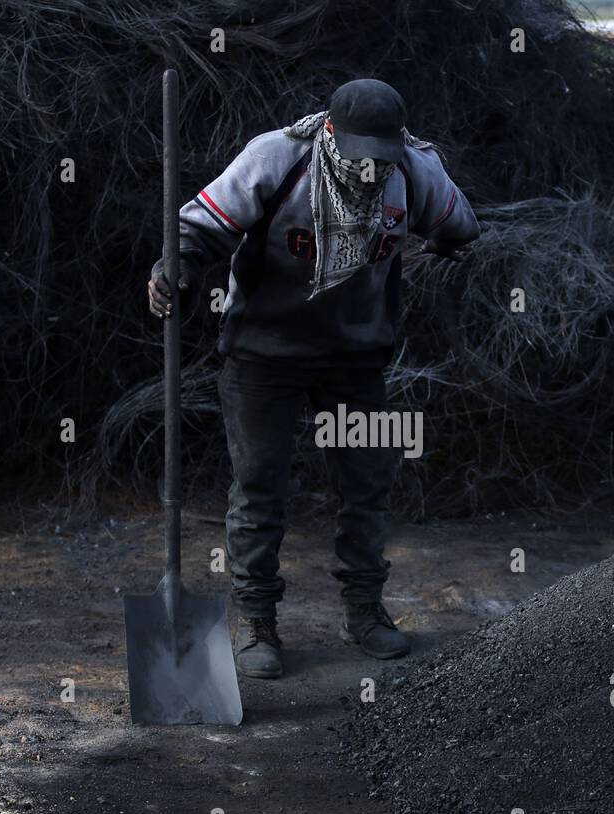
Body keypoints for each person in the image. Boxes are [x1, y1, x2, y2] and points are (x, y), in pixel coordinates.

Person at [148, 78, 479, 679]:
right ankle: (257, 623)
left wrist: (446, 240)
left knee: (366, 485)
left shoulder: (414, 170)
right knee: (260, 486)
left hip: (355, 359)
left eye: (384, 156)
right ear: (331, 131)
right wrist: (177, 269)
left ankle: (365, 612)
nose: (372, 169)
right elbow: (199, 228)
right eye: (360, 154)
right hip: (264, 355)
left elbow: (461, 226)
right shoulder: (277, 156)